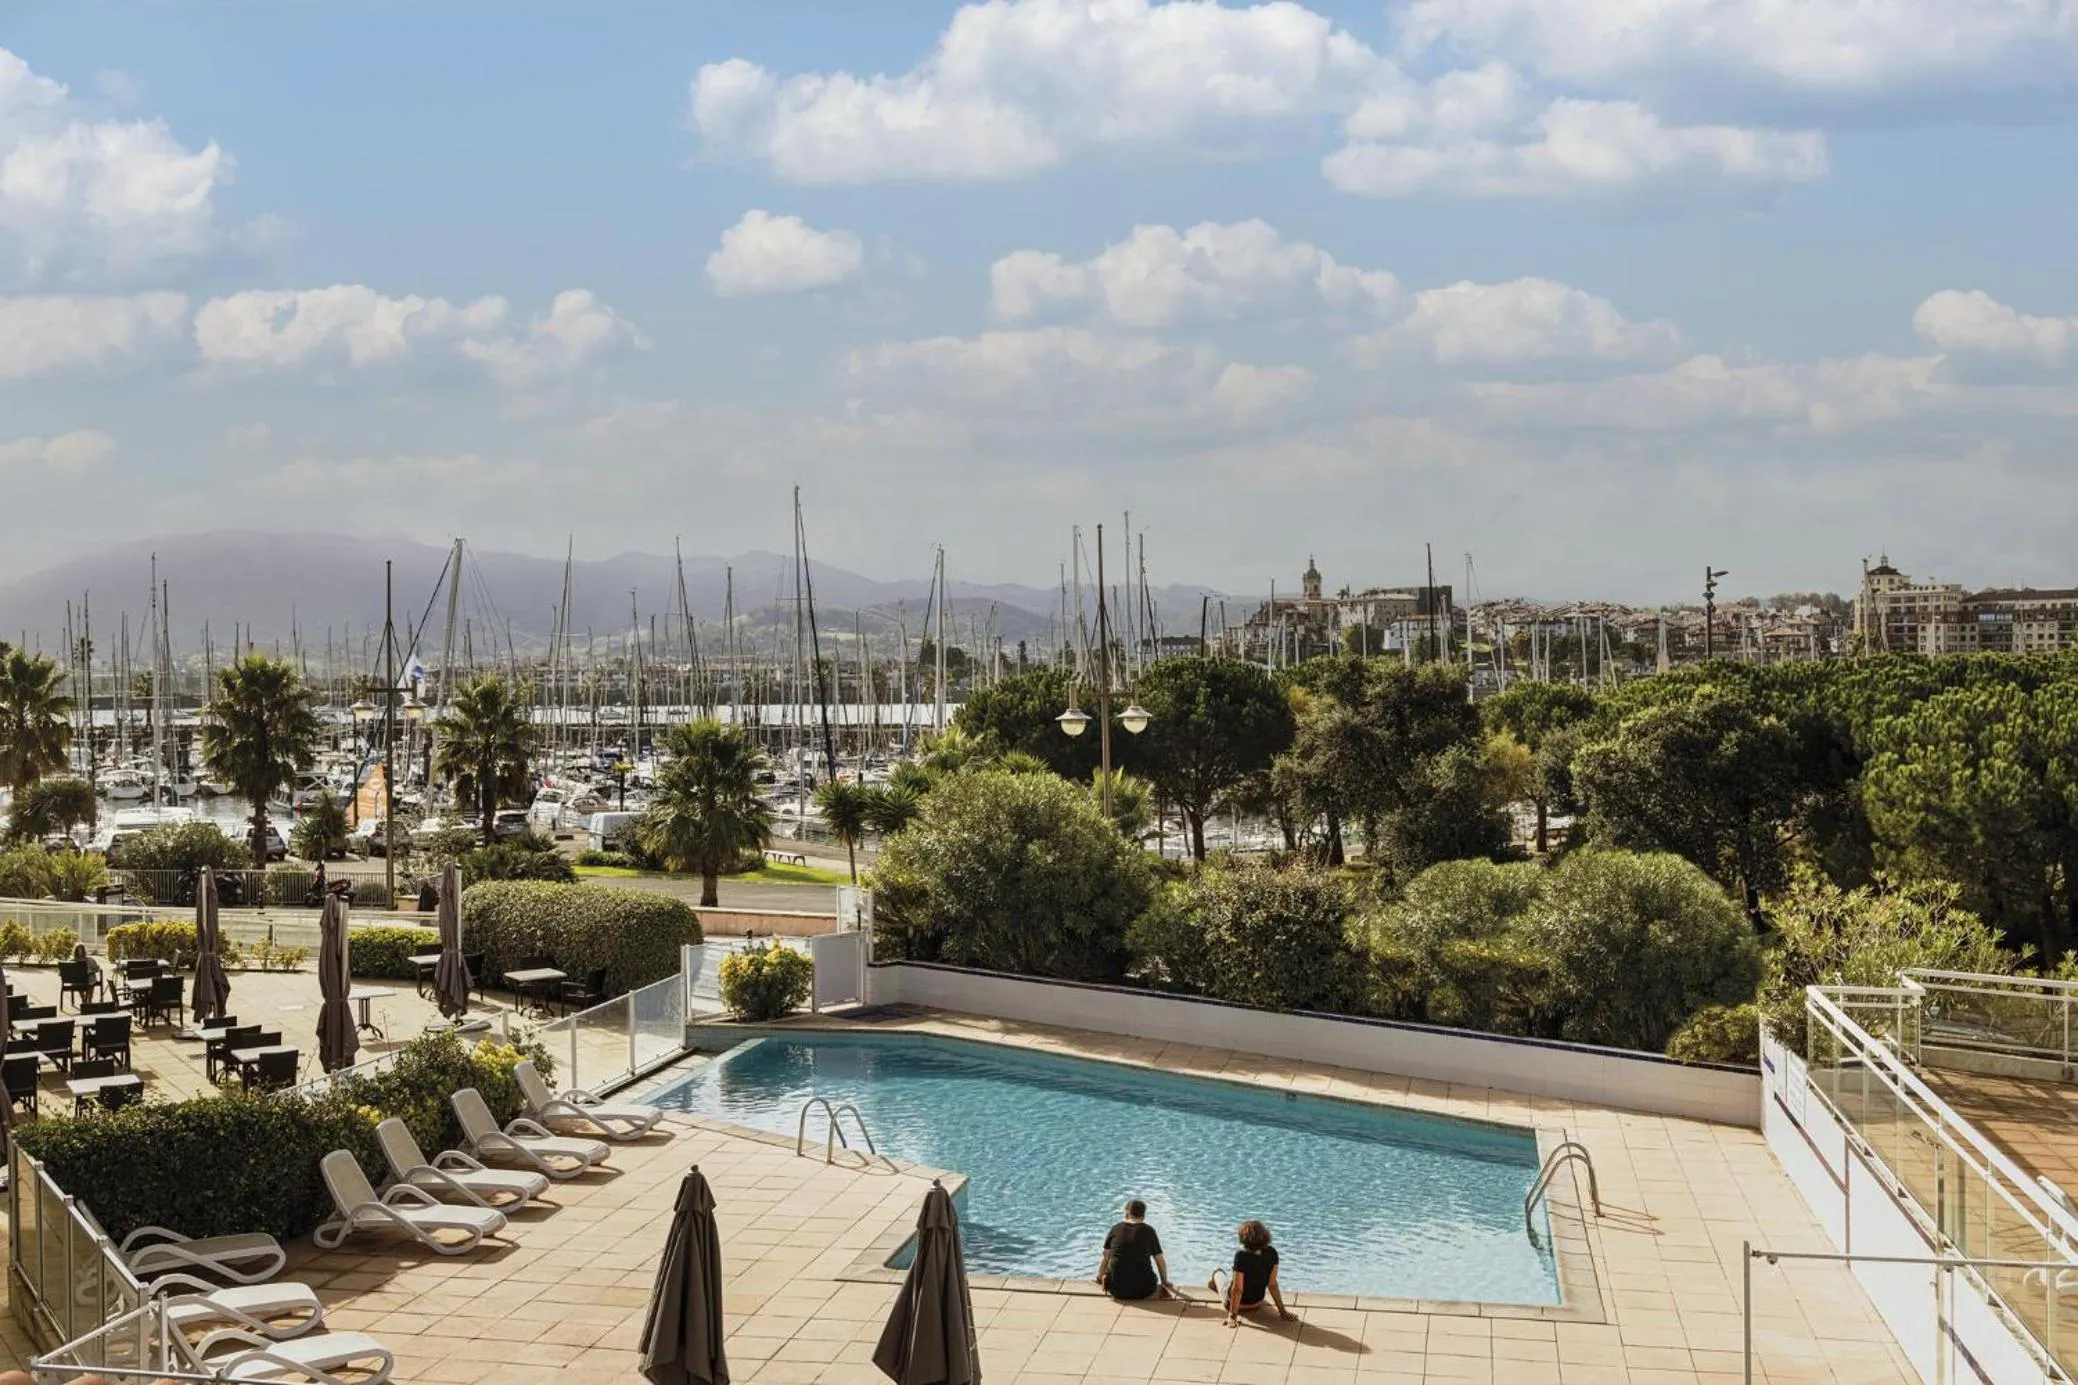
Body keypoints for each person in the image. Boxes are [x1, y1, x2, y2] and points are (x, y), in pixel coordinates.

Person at [1211, 1220, 1293, 1326]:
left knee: (1218, 1274)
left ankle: (1216, 1278)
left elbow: (1238, 1289)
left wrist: (1232, 1315)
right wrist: (1283, 1312)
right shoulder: (1272, 1253)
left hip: (1238, 1305)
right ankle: (1221, 1286)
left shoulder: (1241, 1255)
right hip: (1257, 1303)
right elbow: (1272, 1284)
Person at [1095, 1199, 1175, 1302]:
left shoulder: (1115, 1229)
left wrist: (1099, 1277)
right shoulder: (1149, 1231)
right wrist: (1165, 1282)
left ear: (1126, 1212)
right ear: (1144, 1214)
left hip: (1116, 1289)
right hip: (1144, 1290)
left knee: (1111, 1268)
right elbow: (1160, 1260)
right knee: (1150, 1275)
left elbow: (1106, 1258)